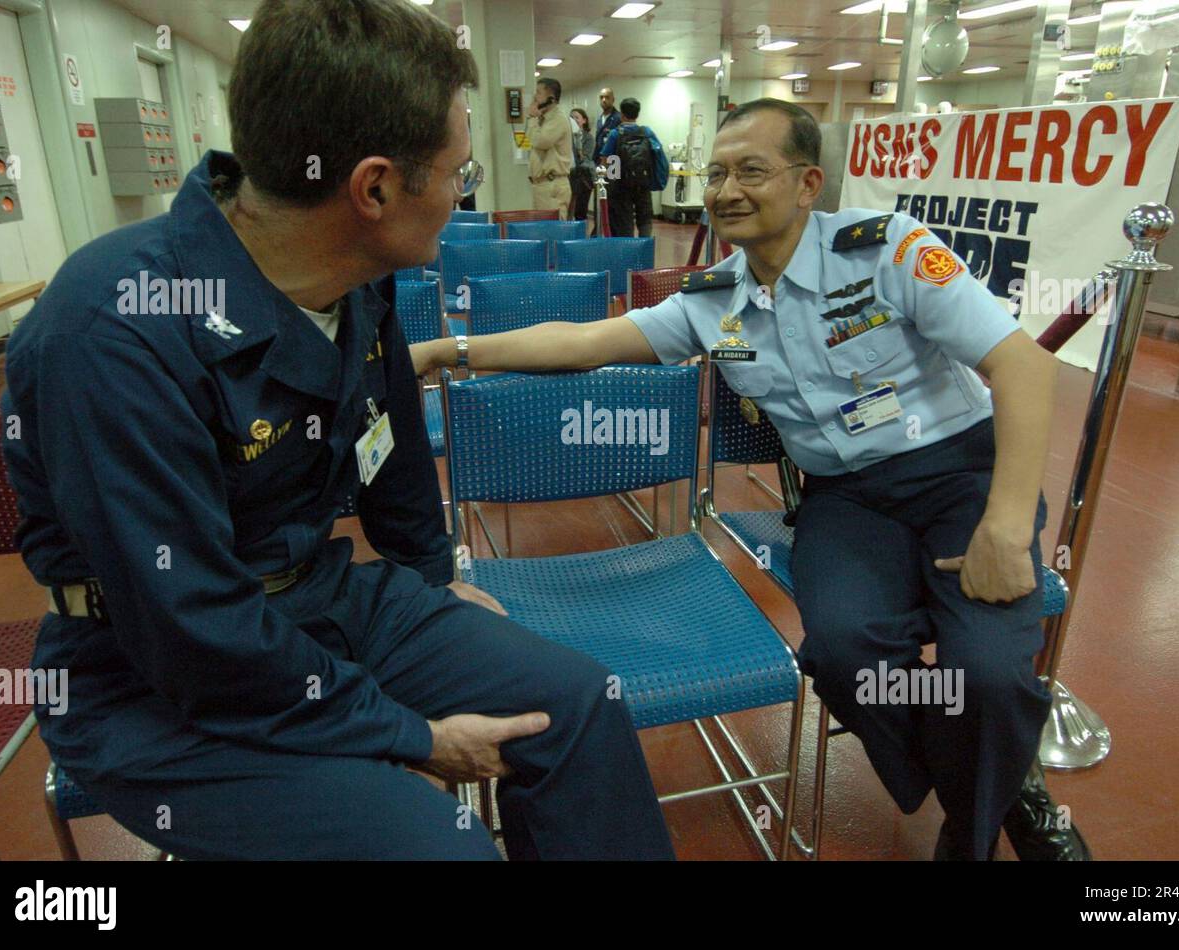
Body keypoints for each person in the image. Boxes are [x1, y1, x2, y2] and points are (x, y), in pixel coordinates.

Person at [0, 0, 673, 861]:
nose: (465, 195)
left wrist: (431, 582)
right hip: (153, 679)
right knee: (444, 850)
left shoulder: (359, 275)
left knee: (580, 704)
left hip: (318, 598)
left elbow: (388, 447)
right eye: (457, 174)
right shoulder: (112, 331)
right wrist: (412, 737)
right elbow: (193, 630)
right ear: (377, 188)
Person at [411, 97, 1092, 862]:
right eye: (717, 172)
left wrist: (1005, 524)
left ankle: (976, 827)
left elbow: (1022, 364)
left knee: (991, 677)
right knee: (841, 654)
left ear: (808, 183)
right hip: (848, 500)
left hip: (962, 477)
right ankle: (990, 774)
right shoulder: (711, 303)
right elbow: (582, 341)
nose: (727, 188)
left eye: (752, 171)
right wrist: (448, 351)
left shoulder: (888, 250)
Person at [600, 97, 663, 238]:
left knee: (624, 221)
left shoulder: (615, 134)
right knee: (645, 218)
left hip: (621, 186)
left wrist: (609, 182)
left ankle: (628, 252)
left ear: (621, 114)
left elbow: (607, 160)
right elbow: (657, 153)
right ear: (637, 114)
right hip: (643, 182)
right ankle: (645, 250)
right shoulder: (647, 132)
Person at [525, 77, 571, 219]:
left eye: (538, 93)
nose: (534, 97)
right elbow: (528, 141)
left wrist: (532, 118)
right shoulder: (541, 119)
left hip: (552, 185)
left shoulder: (558, 119)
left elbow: (540, 141)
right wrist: (533, 119)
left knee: (553, 233)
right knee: (541, 233)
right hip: (541, 186)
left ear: (551, 99)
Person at [568, 107, 596, 228]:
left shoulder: (588, 138)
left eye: (577, 117)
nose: (574, 120)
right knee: (569, 206)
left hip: (583, 177)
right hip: (569, 175)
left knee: (580, 209)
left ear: (584, 120)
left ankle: (581, 235)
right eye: (571, 117)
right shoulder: (566, 136)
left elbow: (586, 157)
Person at [593, 87, 620, 160]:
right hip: (599, 159)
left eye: (607, 97)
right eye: (601, 97)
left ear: (613, 100)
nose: (603, 100)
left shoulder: (618, 118)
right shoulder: (599, 119)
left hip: (613, 160)